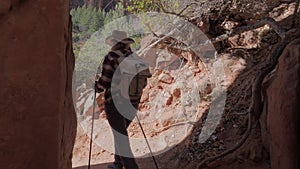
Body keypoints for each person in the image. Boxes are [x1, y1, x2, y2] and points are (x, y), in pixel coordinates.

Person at [95, 30, 140, 169]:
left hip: (115, 101)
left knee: (120, 135)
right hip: (133, 100)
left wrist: (96, 86)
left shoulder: (112, 56)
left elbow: (104, 82)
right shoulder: (134, 56)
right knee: (120, 132)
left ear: (114, 43)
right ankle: (118, 163)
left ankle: (131, 167)